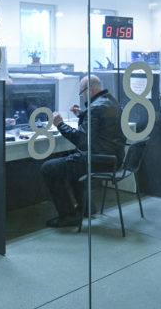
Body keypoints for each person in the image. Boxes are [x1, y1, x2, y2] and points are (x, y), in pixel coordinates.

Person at [40, 75, 125, 227]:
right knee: (71, 162)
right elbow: (100, 128)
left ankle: (68, 215)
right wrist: (82, 115)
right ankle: (87, 208)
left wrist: (60, 124)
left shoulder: (95, 107)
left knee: (48, 168)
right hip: (112, 158)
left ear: (89, 89)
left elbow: (82, 140)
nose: (82, 96)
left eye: (81, 92)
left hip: (100, 160)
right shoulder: (112, 101)